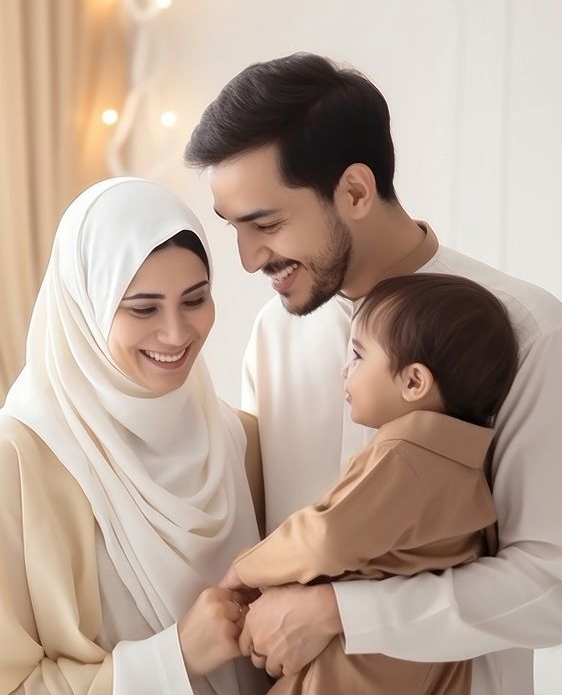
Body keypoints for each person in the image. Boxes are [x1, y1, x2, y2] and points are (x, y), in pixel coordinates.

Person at [185, 52, 562, 695]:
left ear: (356, 191)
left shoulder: (525, 329)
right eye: (235, 230)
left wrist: (343, 614)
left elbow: (551, 585)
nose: (248, 260)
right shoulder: (277, 333)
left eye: (267, 224)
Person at [0, 177, 271, 695]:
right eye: (143, 308)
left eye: (195, 299)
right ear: (86, 310)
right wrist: (174, 660)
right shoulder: (18, 460)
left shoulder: (240, 441)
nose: (176, 333)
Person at [221, 272, 519, 694]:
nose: (346, 369)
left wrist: (247, 568)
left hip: (347, 670)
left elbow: (326, 537)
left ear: (414, 382)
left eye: (359, 356)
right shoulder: (464, 471)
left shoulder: (403, 457)